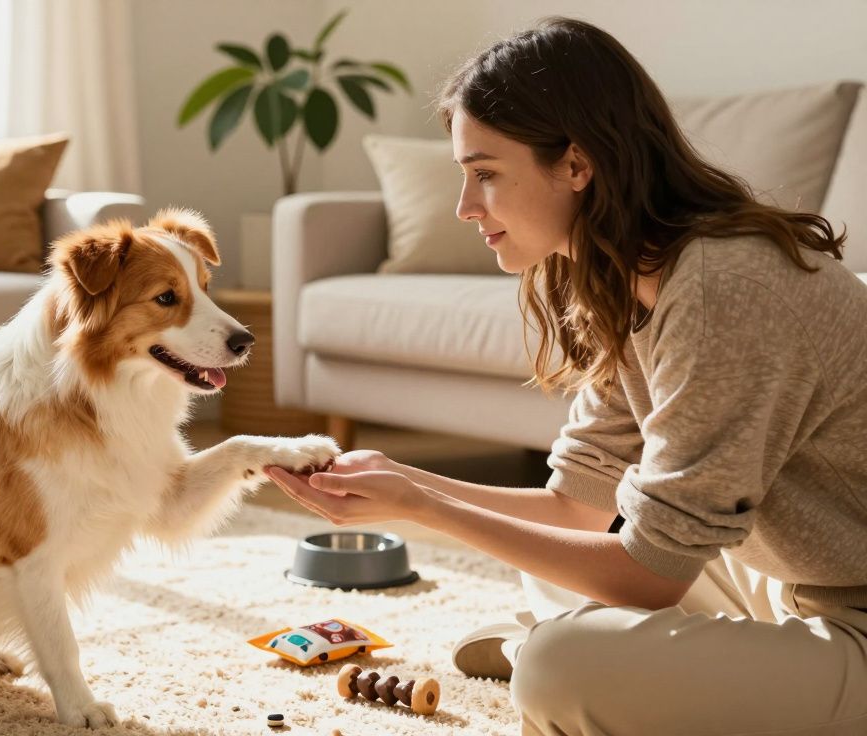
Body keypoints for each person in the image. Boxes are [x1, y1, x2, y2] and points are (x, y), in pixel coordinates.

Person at [265, 16, 867, 736]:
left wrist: (426, 510)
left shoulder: (723, 288)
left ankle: (553, 653)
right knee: (558, 558)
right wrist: (405, 483)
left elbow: (648, 576)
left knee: (562, 667)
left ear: (577, 165)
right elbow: (575, 507)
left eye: (485, 174)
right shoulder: (625, 279)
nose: (465, 207)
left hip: (853, 615)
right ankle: (597, 653)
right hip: (787, 578)